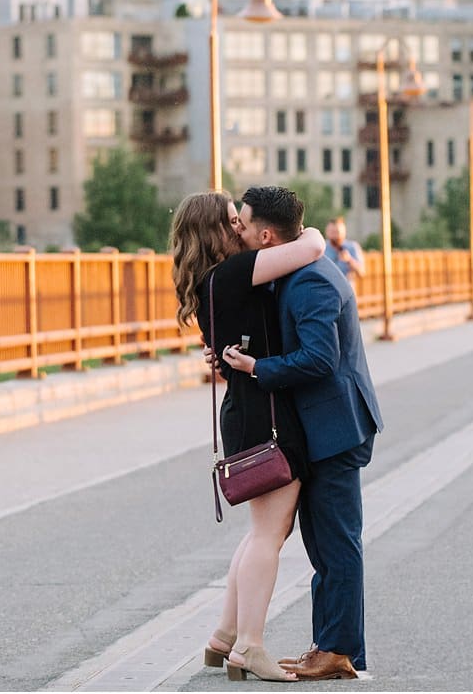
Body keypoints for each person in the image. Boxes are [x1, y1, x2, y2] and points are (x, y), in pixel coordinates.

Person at [223, 185, 384, 682]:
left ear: (266, 235)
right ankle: (329, 644)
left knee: (336, 544)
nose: (238, 231)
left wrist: (256, 368)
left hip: (336, 427)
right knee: (325, 543)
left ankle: (338, 650)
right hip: (323, 425)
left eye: (243, 224)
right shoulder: (293, 271)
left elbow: (319, 358)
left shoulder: (311, 282)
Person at [176, 190, 326, 683]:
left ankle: (224, 637)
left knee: (262, 531)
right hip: (265, 415)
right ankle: (250, 646)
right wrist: (317, 230)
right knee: (268, 534)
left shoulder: (208, 284)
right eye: (231, 221)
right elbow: (311, 248)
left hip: (244, 410)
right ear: (217, 232)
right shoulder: (236, 273)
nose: (239, 228)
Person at [323, 217, 366, 281]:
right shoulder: (322, 248)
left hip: (347, 289)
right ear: (327, 232)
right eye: (332, 232)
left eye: (337, 232)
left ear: (344, 232)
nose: (335, 236)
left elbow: (362, 273)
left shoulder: (352, 247)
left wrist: (349, 260)